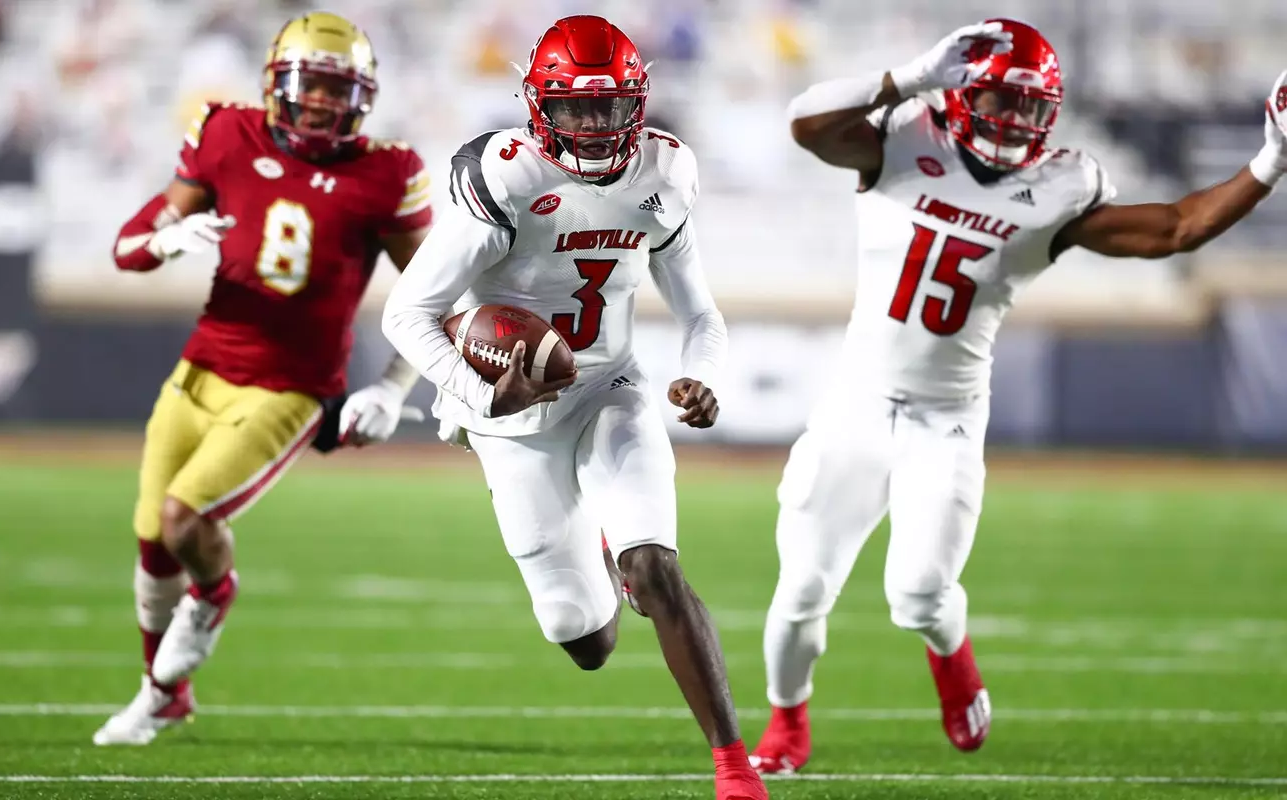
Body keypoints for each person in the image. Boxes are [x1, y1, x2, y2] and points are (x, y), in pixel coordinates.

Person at [749, 18, 1287, 774]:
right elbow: (804, 124)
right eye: (1000, 99)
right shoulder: (904, 140)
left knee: (919, 595)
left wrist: (1269, 160)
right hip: (858, 402)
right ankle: (787, 722)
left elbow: (1174, 228)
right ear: (961, 91)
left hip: (948, 416)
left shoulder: (1058, 188)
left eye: (1032, 108)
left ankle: (951, 655)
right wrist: (906, 78)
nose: (1015, 121)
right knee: (802, 585)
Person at [381, 15, 768, 800]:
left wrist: (704, 377)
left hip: (608, 386)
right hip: (509, 415)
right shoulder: (506, 178)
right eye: (575, 108)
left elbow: (701, 315)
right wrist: (484, 389)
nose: (594, 126)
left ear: (640, 102)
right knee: (581, 636)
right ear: (537, 106)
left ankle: (735, 767)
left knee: (656, 568)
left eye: (610, 106)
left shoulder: (664, 172)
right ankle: (596, 544)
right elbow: (405, 313)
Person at [93, 11, 433, 746]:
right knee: (152, 539)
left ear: (362, 98)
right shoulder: (225, 134)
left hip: (291, 388)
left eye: (335, 91)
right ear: (278, 83)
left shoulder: (387, 172)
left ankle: (214, 594)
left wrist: (393, 387)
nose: (319, 104)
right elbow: (126, 248)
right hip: (201, 368)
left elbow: (439, 293)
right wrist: (167, 239)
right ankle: (166, 694)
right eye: (309, 86)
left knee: (186, 519)